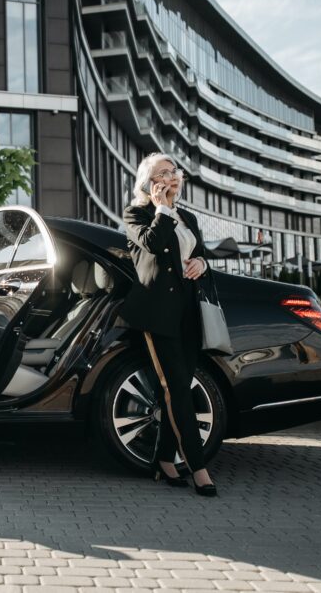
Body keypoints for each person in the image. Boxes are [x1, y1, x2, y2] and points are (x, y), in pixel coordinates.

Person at [118, 152, 218, 497]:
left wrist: (202, 263)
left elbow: (200, 252)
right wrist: (161, 209)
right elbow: (152, 243)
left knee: (179, 388)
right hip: (157, 314)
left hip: (189, 310)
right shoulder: (136, 214)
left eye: (174, 171)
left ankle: (163, 460)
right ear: (148, 182)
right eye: (163, 172)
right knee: (176, 388)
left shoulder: (188, 216)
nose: (172, 176)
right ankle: (198, 467)